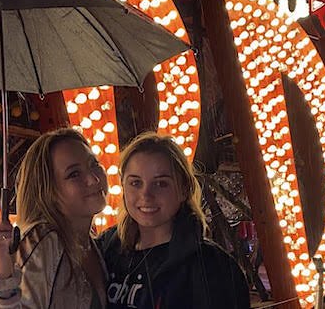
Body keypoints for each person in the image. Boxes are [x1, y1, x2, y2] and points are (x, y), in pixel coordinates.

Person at [100, 132, 250, 308]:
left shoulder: (212, 267)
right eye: (135, 183)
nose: (146, 195)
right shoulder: (107, 249)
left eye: (161, 183)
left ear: (184, 189)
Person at [0, 128, 109, 308]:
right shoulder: (44, 241)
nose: (94, 179)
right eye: (74, 174)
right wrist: (3, 276)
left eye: (94, 164)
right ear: (49, 190)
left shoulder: (94, 244)